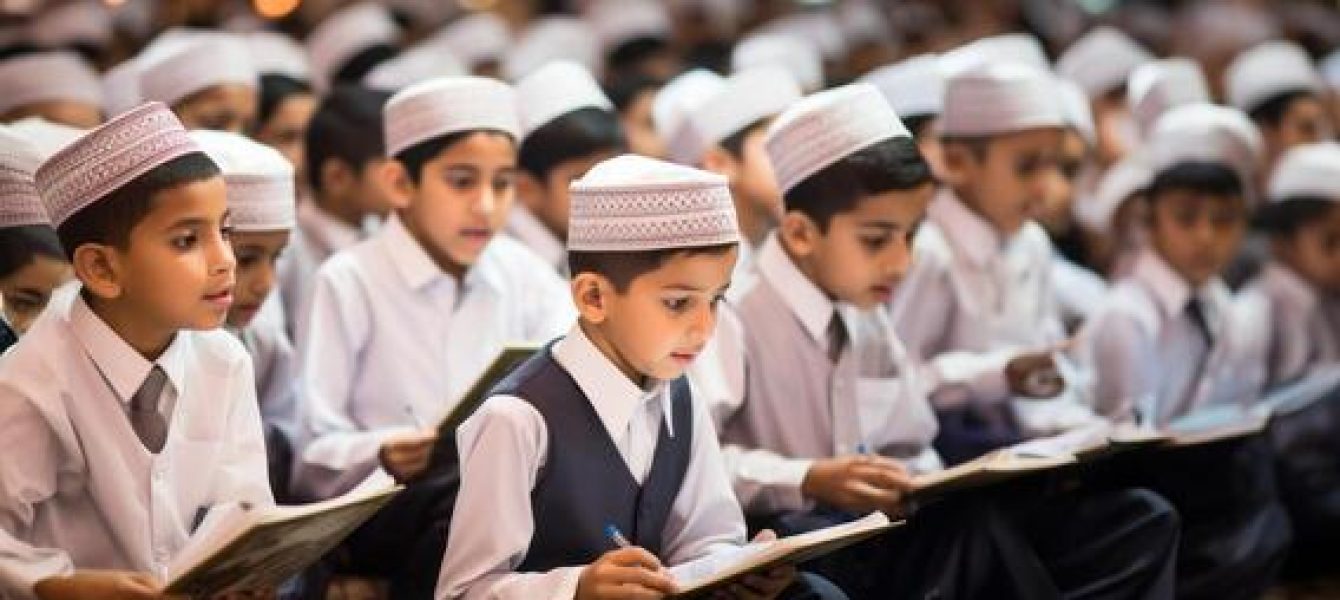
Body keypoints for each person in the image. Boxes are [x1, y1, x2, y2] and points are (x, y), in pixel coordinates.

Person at [439, 153, 844, 600]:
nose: (705, 328)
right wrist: (576, 588)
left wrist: (738, 568)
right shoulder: (515, 419)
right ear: (594, 297)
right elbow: (464, 591)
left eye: (716, 300)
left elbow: (704, 539)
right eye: (678, 303)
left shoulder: (681, 396)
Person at [0, 102, 273, 599]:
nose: (225, 261)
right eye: (187, 240)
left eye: (225, 231)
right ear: (102, 269)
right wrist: (61, 585)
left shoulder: (225, 360)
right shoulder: (29, 383)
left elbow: (245, 503)